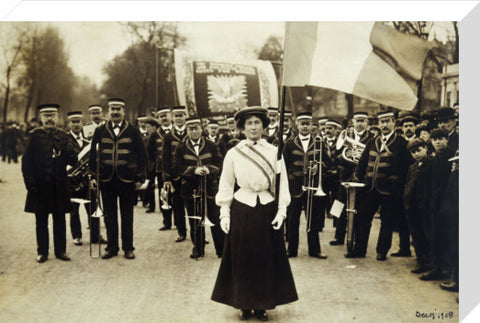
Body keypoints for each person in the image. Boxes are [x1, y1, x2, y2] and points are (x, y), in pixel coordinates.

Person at [212, 106, 297, 321]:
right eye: (248, 123)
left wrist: (281, 210)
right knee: (243, 258)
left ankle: (262, 305)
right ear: (242, 127)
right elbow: (227, 183)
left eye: (257, 122)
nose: (253, 127)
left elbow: (282, 183)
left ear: (264, 126)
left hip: (266, 208)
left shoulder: (274, 152)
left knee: (264, 258)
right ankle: (244, 304)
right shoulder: (234, 153)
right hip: (242, 207)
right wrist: (224, 212)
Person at [89, 98, 147, 260]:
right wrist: (93, 176)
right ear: (108, 112)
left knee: (127, 215)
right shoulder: (100, 131)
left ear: (124, 111)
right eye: (112, 109)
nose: (115, 112)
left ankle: (128, 248)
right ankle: (112, 248)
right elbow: (93, 155)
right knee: (109, 216)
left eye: (118, 109)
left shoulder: (133, 131)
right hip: (106, 180)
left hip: (127, 180)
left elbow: (142, 155)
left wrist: (140, 177)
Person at [351, 110, 412, 261]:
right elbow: (363, 162)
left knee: (387, 221)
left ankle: (382, 251)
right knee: (363, 219)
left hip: (390, 190)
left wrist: (397, 181)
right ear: (378, 124)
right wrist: (358, 178)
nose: (384, 125)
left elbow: (408, 167)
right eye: (382, 122)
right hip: (370, 188)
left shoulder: (402, 143)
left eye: (387, 121)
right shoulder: (373, 141)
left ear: (393, 122)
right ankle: (359, 249)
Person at [22, 104, 78, 263]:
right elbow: (26, 163)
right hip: (40, 186)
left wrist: (68, 149)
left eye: (52, 115)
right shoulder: (34, 136)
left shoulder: (64, 136)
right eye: (46, 115)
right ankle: (42, 252)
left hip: (59, 185)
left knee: (60, 219)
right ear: (41, 118)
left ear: (58, 117)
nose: (50, 119)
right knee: (41, 221)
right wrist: (30, 185)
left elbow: (73, 161)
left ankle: (61, 251)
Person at [174, 117, 224, 259]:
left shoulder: (211, 145)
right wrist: (192, 170)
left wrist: (209, 169)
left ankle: (221, 249)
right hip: (191, 190)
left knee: (215, 219)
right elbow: (177, 168)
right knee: (195, 220)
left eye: (196, 128)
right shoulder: (181, 147)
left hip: (210, 188)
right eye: (191, 129)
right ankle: (198, 249)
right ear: (187, 130)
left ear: (202, 129)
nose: (194, 131)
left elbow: (220, 164)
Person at [284, 112, 327, 259]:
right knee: (292, 220)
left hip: (313, 187)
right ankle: (291, 250)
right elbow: (284, 164)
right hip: (294, 187)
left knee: (313, 220)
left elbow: (327, 162)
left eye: (307, 124)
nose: (305, 126)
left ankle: (315, 250)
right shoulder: (289, 143)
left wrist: (319, 167)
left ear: (311, 125)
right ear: (297, 125)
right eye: (302, 124)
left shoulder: (319, 142)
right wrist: (291, 177)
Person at [331, 111, 372, 246]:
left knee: (359, 208)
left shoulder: (371, 138)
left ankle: (354, 237)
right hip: (346, 176)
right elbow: (336, 156)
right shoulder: (345, 136)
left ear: (367, 123)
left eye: (362, 121)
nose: (359, 124)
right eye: (357, 121)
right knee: (339, 205)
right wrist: (345, 157)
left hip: (361, 179)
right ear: (352, 122)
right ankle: (338, 236)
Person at [420, 128, 456, 281]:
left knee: (449, 238)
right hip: (435, 203)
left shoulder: (452, 156)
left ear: (447, 140)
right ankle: (436, 269)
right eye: (434, 139)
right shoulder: (434, 159)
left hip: (449, 203)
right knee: (435, 237)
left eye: (441, 138)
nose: (438, 142)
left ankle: (449, 271)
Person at [403, 138, 433, 274]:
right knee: (416, 235)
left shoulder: (432, 164)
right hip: (413, 206)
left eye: (419, 150)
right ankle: (420, 261)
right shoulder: (412, 167)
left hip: (425, 207)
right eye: (413, 152)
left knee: (428, 235)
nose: (416, 154)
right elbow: (408, 185)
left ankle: (430, 263)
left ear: (426, 148)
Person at [162, 106, 188, 242]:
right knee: (178, 205)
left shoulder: (192, 133)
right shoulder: (167, 136)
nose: (178, 118)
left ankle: (198, 231)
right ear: (172, 118)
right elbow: (164, 157)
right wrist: (167, 177)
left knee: (195, 204)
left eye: (181, 115)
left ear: (185, 117)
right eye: (176, 116)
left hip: (191, 175)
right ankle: (181, 232)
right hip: (175, 176)